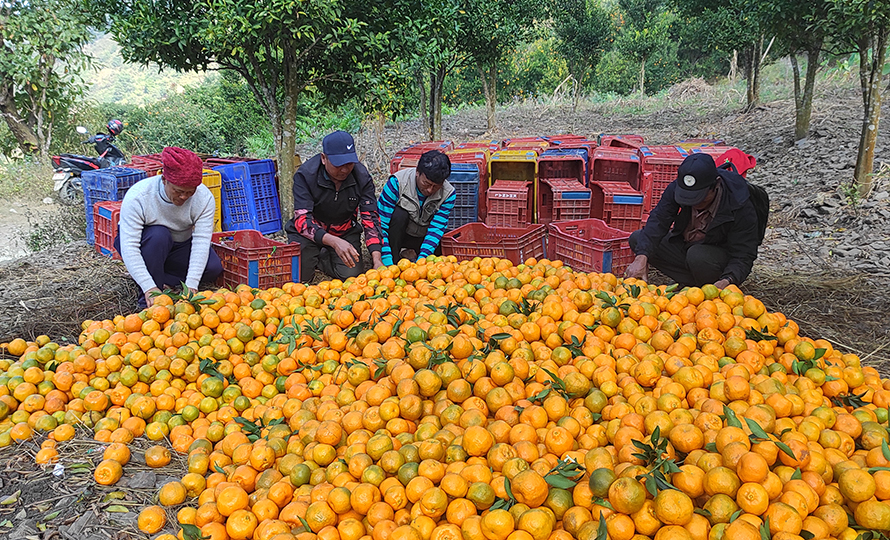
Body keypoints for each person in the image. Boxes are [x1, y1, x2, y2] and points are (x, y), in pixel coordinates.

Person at [625, 153, 761, 289]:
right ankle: (692, 284)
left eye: (700, 198)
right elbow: (659, 220)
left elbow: (744, 254)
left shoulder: (739, 203)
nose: (694, 203)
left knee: (697, 255)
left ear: (716, 185)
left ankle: (709, 285)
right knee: (639, 239)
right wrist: (641, 257)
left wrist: (728, 280)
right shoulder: (679, 187)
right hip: (687, 245)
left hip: (716, 257)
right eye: (688, 198)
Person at [116, 146, 222, 308]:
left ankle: (162, 278)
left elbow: (201, 241)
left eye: (190, 192)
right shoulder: (139, 196)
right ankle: (148, 300)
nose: (184, 197)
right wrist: (148, 287)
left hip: (179, 243)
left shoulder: (204, 198)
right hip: (148, 242)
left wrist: (191, 285)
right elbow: (129, 246)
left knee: (213, 268)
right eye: (178, 191)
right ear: (164, 180)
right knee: (159, 235)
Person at [284, 131, 383, 280]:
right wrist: (334, 242)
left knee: (351, 274)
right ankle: (317, 253)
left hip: (344, 230)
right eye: (339, 165)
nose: (344, 170)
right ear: (324, 158)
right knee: (300, 276)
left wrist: (377, 259)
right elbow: (302, 220)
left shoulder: (361, 177)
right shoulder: (306, 176)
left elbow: (370, 218)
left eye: (349, 164)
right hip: (311, 231)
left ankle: (324, 257)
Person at [377, 150, 456, 265]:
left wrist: (422, 261)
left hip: (424, 236)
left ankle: (412, 254)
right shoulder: (397, 183)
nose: (430, 190)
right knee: (399, 215)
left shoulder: (448, 194)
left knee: (444, 239)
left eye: (436, 186)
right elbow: (381, 225)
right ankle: (395, 257)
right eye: (426, 183)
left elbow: (436, 229)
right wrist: (387, 261)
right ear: (417, 172)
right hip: (399, 235)